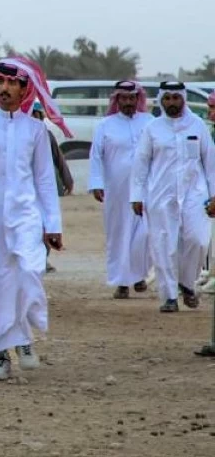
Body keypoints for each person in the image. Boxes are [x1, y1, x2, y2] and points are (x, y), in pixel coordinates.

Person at [0, 58, 65, 380]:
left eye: (11, 83)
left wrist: (53, 225)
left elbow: (45, 179)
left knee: (28, 274)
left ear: (23, 89)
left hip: (27, 215)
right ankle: (3, 355)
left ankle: (24, 338)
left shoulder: (35, 130)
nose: (4, 89)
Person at [130, 81, 215, 313]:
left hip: (195, 194)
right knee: (163, 244)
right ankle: (169, 296)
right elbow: (141, 163)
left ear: (183, 99)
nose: (171, 103)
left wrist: (214, 195)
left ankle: (187, 283)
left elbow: (210, 165)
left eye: (175, 98)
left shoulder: (197, 126)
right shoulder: (152, 128)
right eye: (167, 98)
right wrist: (136, 196)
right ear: (161, 100)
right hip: (161, 194)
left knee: (198, 240)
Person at [88, 80, 153, 298]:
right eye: (123, 98)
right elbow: (96, 156)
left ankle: (139, 274)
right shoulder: (105, 125)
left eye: (132, 98)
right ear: (117, 100)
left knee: (145, 233)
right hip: (116, 190)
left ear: (138, 99)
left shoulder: (150, 122)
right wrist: (96, 183)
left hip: (146, 188)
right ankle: (122, 282)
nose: (128, 102)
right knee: (119, 235)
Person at [31, 101, 74, 273]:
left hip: (47, 186)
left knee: (46, 223)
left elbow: (58, 158)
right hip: (27, 188)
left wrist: (67, 179)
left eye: (37, 115)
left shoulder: (46, 135)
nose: (34, 118)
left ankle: (44, 257)